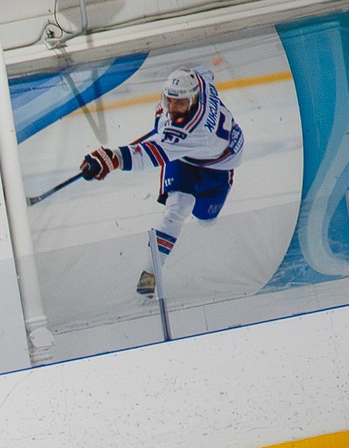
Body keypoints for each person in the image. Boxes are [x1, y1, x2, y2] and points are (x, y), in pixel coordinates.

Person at [80, 65, 243, 300]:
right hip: (184, 158)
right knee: (178, 208)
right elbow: (201, 71)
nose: (172, 108)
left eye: (180, 103)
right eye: (169, 101)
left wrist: (111, 159)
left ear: (193, 100)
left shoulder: (195, 132)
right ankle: (150, 272)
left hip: (218, 164)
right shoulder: (199, 82)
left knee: (206, 220)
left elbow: (148, 155)